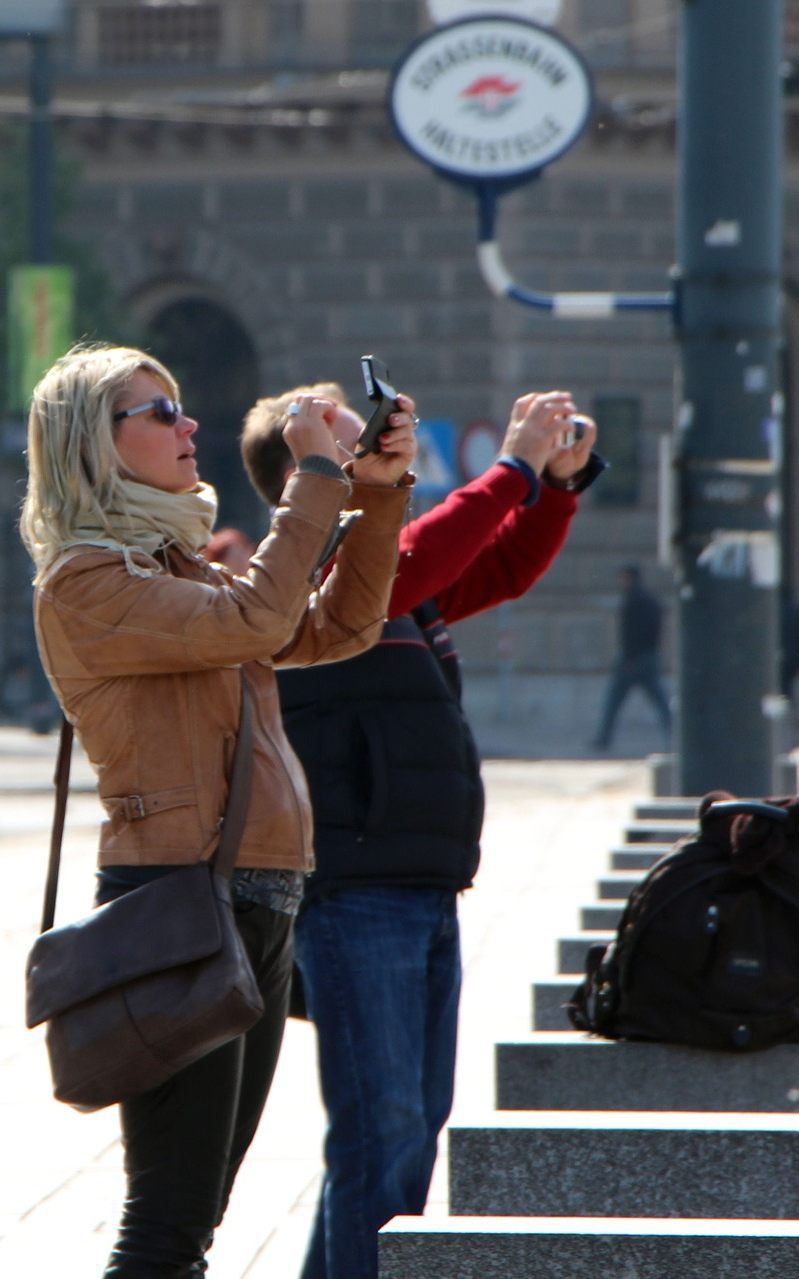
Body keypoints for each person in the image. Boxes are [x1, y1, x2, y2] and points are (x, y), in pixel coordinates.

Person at [19, 344, 416, 1277]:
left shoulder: (174, 565)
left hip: (258, 891)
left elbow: (336, 627)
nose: (187, 424)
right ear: (92, 443)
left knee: (195, 1216)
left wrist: (378, 493)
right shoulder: (85, 582)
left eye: (181, 406)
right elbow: (256, 622)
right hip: (177, 895)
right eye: (158, 413)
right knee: (167, 1221)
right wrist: (318, 473)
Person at [240, 382, 606, 1279]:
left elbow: (502, 568)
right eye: (335, 419)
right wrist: (512, 467)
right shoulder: (303, 579)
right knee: (383, 1129)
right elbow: (424, 549)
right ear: (302, 467)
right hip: (354, 885)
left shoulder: (390, 577)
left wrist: (553, 485)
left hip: (421, 878)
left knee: (405, 1126)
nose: (368, 426)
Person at [590, 563, 672, 751]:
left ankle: (603, 739)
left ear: (629, 577)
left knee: (614, 701)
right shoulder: (651, 600)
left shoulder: (632, 600)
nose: (620, 581)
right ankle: (674, 736)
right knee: (660, 701)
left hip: (632, 659)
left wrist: (629, 658)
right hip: (649, 657)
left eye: (622, 577)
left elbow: (631, 633)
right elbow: (655, 630)